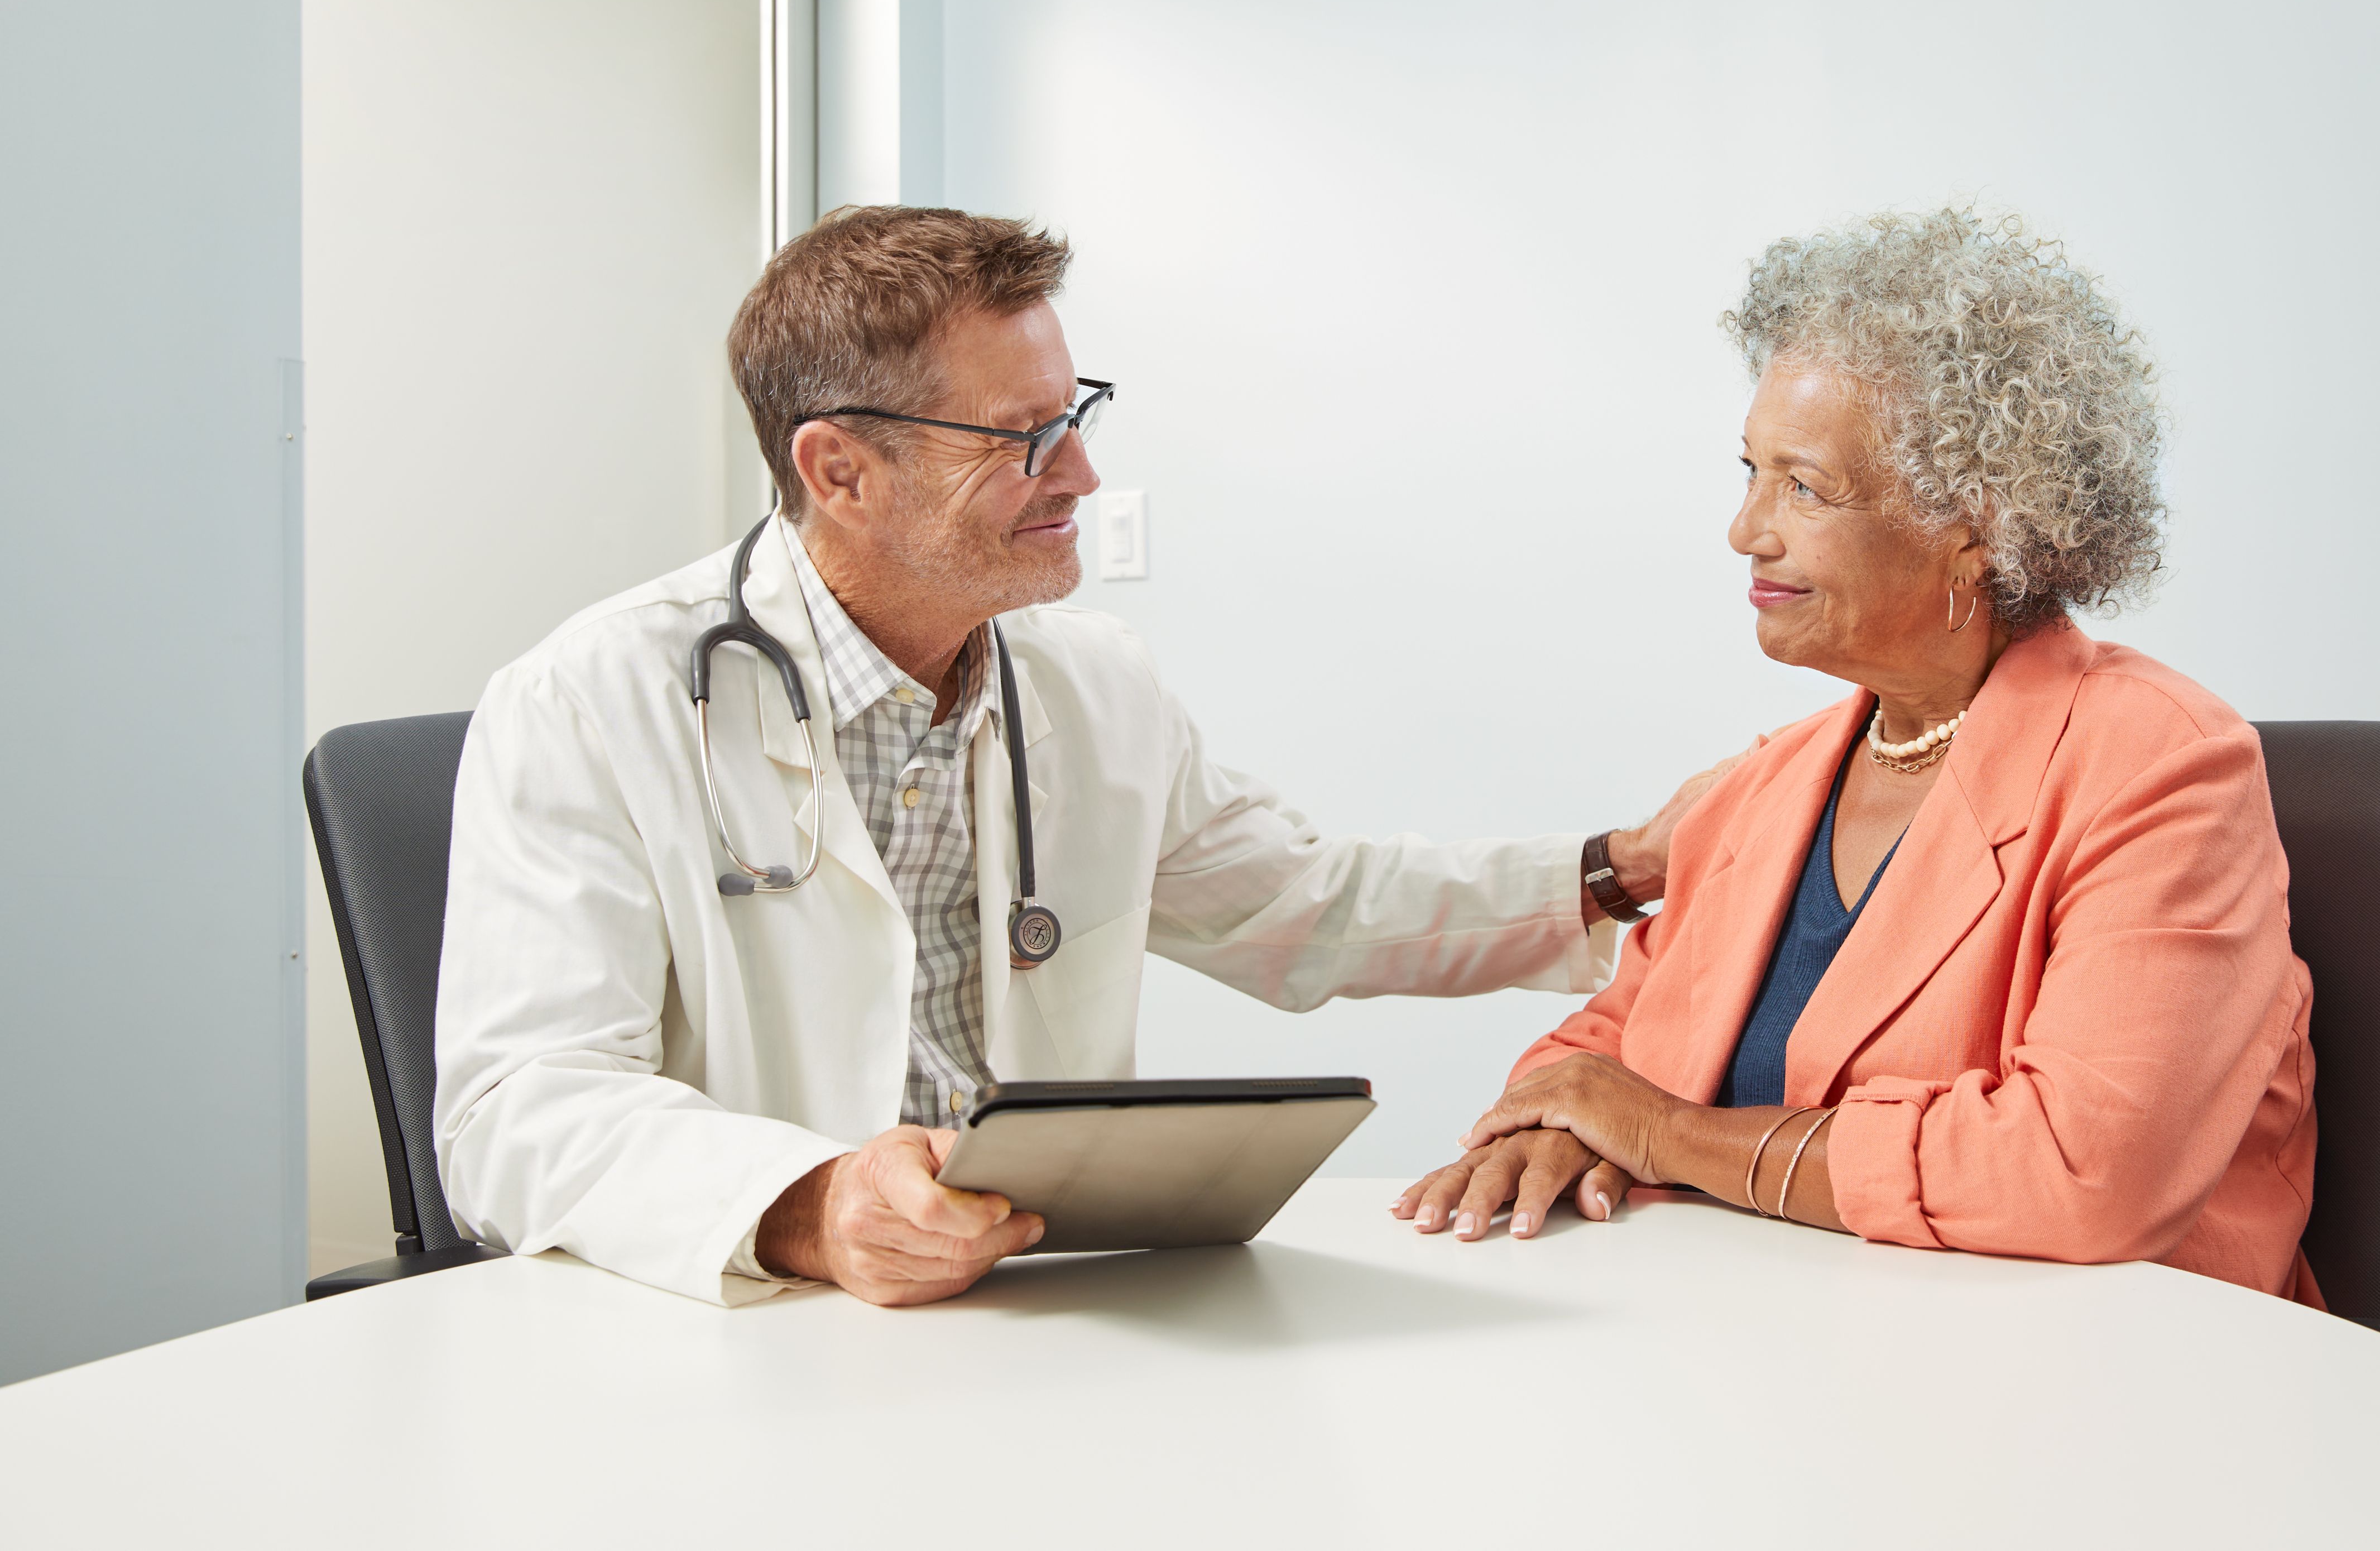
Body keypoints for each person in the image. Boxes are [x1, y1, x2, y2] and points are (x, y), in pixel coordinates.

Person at [434, 206, 1727, 1308]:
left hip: (1033, 1305)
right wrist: (809, 1205)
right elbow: (518, 1107)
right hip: (734, 1326)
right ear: (840, 469)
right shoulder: (592, 701)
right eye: (1023, 437)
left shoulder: (1091, 681)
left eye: (1078, 413)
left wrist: (1620, 868)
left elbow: (1304, 905)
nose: (1085, 473)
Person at [1395, 208, 2322, 1303]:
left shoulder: (2159, 765)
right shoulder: (1767, 784)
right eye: (1747, 471)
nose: (1745, 528)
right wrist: (1559, 1127)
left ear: (1973, 523)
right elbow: (1597, 1052)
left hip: (2103, 1389)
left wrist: (1670, 1135)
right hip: (1797, 1360)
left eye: (1802, 486)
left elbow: (2080, 1171)